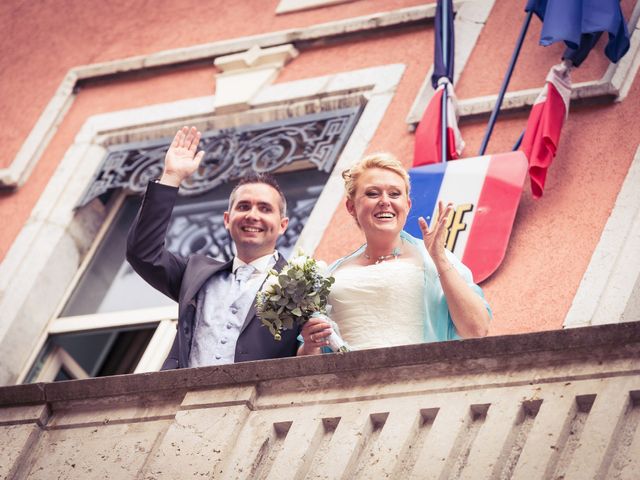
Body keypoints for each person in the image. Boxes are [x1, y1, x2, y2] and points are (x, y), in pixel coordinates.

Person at [127, 126, 300, 369]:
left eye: (264, 208)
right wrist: (171, 177)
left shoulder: (300, 286)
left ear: (282, 225)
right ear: (227, 220)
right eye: (243, 207)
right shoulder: (195, 274)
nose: (252, 215)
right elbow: (142, 252)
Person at [298, 152, 490, 355]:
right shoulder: (331, 274)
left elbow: (477, 330)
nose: (384, 201)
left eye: (394, 194)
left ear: (407, 205)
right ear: (351, 206)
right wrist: (310, 344)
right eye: (372, 193)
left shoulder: (434, 259)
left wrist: (439, 258)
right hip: (349, 383)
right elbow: (308, 360)